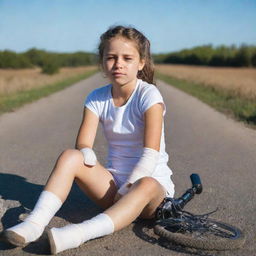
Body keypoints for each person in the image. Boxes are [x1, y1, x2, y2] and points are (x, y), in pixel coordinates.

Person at [0, 25, 175, 254]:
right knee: (70, 157)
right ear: (102, 62)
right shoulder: (96, 97)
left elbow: (150, 154)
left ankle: (78, 234)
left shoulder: (149, 95)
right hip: (113, 188)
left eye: (127, 58)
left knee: (147, 183)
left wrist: (129, 188)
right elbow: (83, 143)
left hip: (149, 194)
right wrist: (86, 153)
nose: (118, 64)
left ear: (141, 63)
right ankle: (33, 224)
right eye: (111, 57)